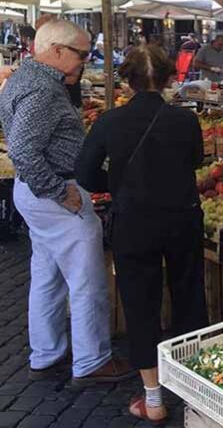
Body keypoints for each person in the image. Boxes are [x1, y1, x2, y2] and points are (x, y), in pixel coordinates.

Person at [76, 46, 208, 424]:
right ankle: (195, 389)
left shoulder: (109, 121)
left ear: (128, 80)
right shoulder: (185, 120)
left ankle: (153, 399)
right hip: (182, 219)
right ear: (169, 78)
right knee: (189, 295)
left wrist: (118, 183)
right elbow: (196, 161)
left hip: (134, 222)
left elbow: (84, 175)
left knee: (140, 303)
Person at [0, 20, 133, 386]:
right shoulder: (43, 90)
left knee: (47, 277)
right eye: (81, 54)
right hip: (55, 192)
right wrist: (63, 193)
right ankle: (92, 360)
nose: (84, 62)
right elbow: (25, 150)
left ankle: (46, 354)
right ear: (57, 50)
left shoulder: (24, 78)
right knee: (86, 279)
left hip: (34, 193)